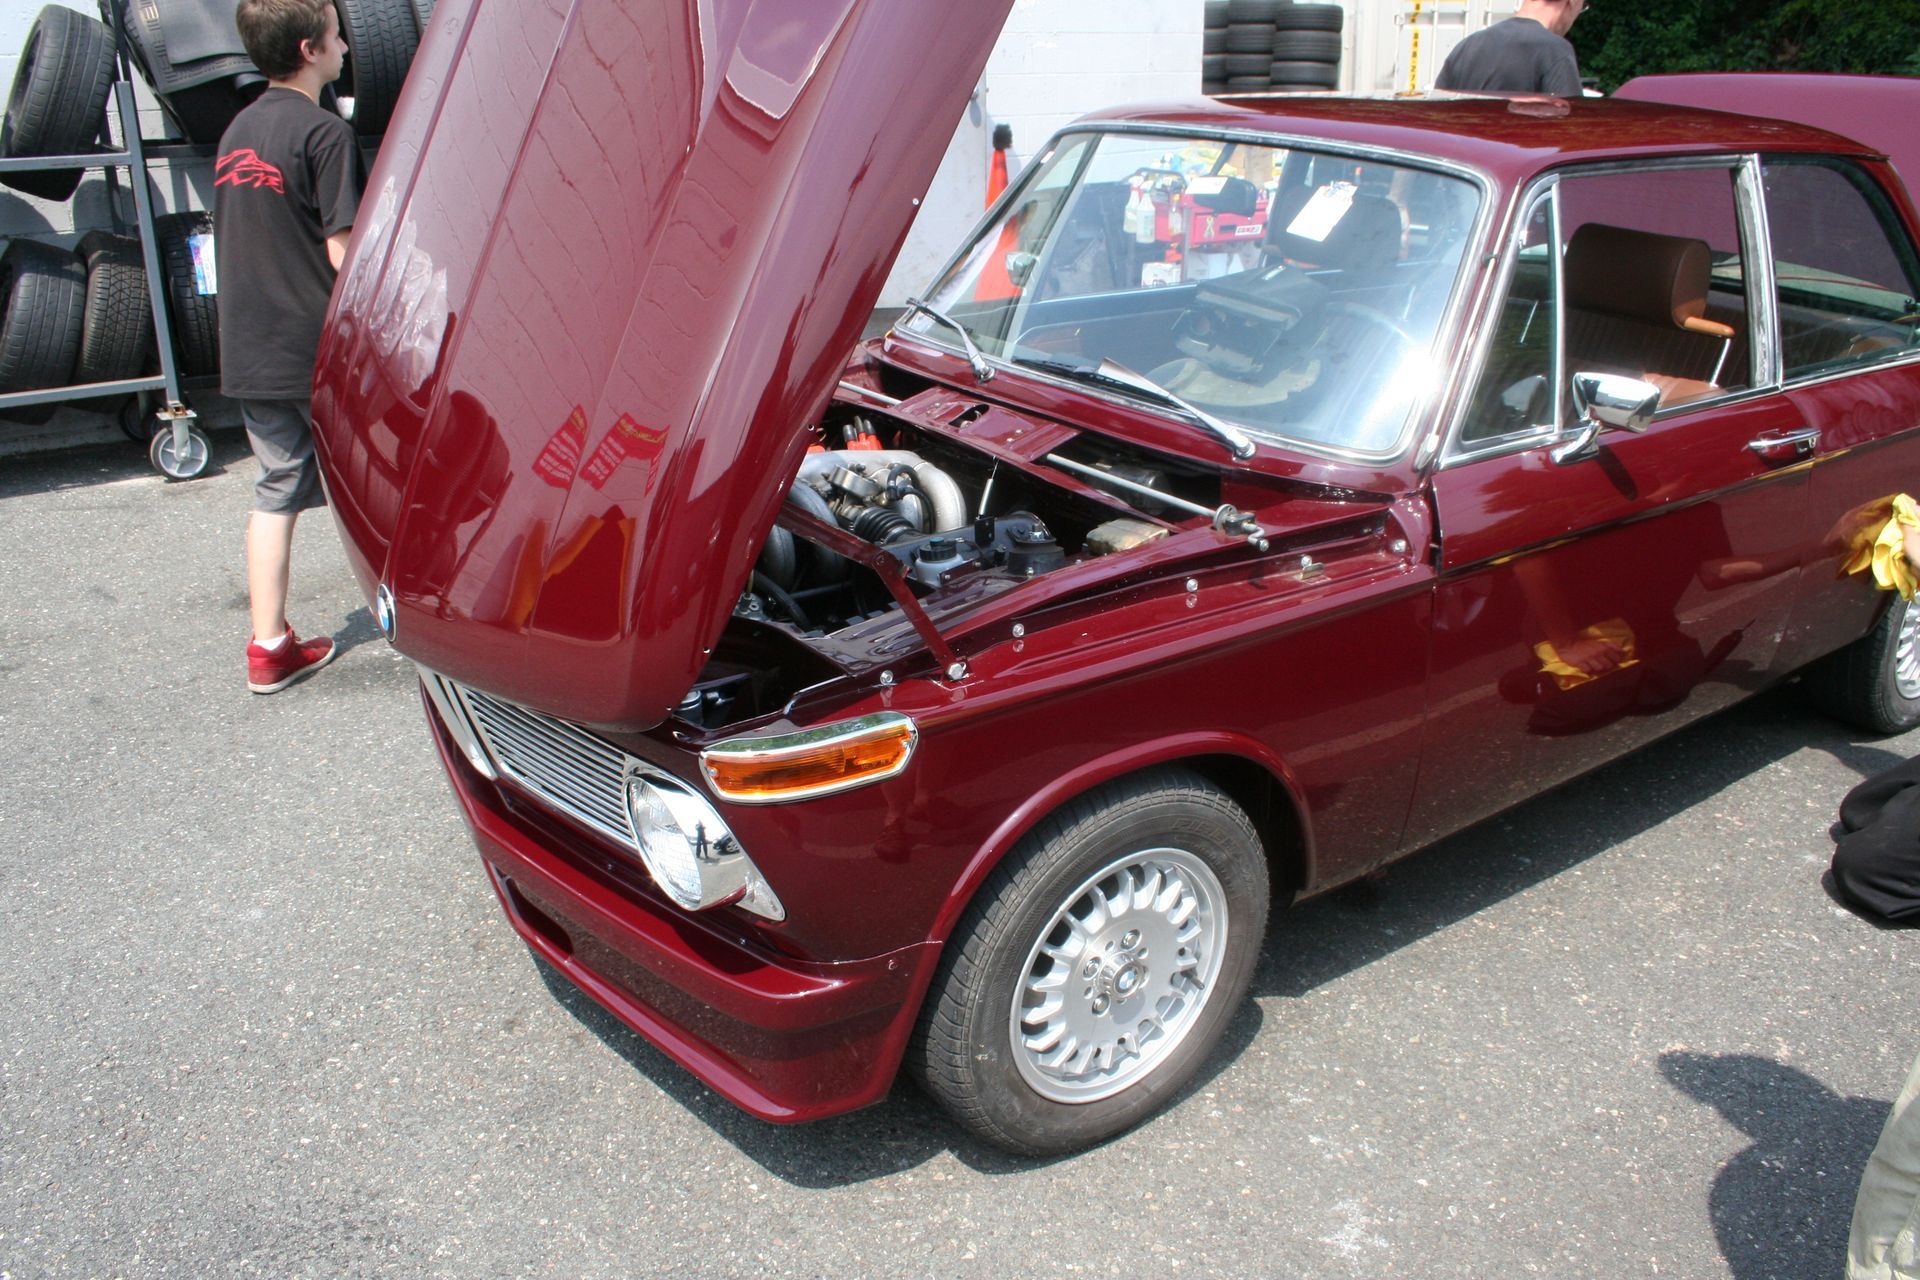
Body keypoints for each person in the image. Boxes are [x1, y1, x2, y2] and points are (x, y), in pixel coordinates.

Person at [216, 0, 360, 693]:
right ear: (310, 49)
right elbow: (343, 255)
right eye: (336, 34)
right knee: (380, 487)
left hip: (250, 349)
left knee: (275, 488)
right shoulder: (325, 133)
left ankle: (268, 646)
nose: (344, 45)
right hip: (318, 352)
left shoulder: (238, 132)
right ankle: (434, 621)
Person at [1434, 0, 1587, 97]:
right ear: (1572, 2)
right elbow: (1571, 127)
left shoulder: (1467, 45)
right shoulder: (1555, 51)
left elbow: (1437, 109)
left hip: (1463, 147)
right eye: (1582, 7)